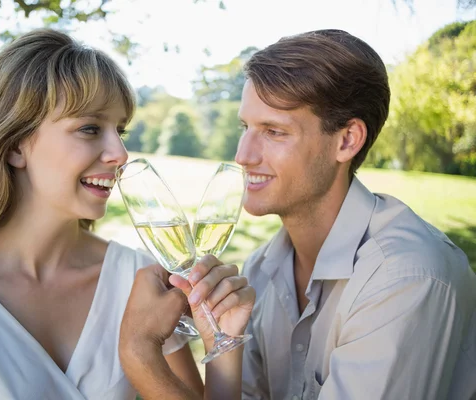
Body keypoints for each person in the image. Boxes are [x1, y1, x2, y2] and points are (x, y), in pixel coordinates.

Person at [0, 28, 254, 400]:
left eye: (119, 130)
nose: (120, 154)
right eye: (90, 128)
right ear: (14, 146)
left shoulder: (137, 281)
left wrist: (225, 340)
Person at [119, 29, 476, 399]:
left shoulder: (404, 279)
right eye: (246, 127)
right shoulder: (261, 270)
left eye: (273, 131)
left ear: (347, 140)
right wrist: (225, 344)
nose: (243, 155)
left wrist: (138, 353)